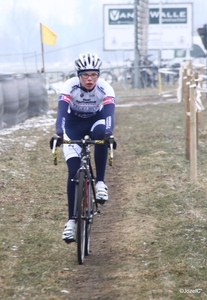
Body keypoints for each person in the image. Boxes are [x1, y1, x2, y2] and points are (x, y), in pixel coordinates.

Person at [50, 52, 116, 243]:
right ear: (78, 75)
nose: (89, 79)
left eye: (94, 75)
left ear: (98, 75)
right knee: (73, 172)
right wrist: (59, 134)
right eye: (85, 75)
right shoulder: (69, 87)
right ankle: (71, 221)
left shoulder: (105, 88)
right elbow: (62, 113)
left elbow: (110, 114)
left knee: (102, 134)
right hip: (73, 126)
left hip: (96, 121)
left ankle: (100, 182)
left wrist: (109, 133)